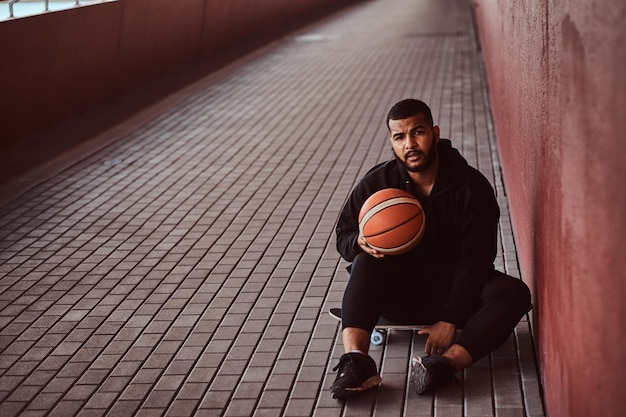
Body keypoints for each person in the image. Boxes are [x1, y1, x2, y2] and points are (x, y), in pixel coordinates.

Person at [330, 99, 531, 399]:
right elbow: (344, 235)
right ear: (392, 142)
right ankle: (357, 362)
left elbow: (476, 261)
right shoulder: (378, 183)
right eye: (399, 137)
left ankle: (442, 366)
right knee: (365, 260)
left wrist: (450, 319)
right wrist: (358, 242)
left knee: (515, 293)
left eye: (417, 132)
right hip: (400, 290)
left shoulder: (471, 187)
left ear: (435, 133)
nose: (409, 143)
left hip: (456, 289)